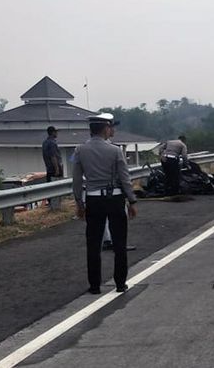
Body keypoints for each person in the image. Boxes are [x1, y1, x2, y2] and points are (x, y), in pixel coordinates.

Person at [72, 113, 138, 295]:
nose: (113, 130)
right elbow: (125, 178)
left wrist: (79, 203)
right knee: (119, 243)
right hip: (114, 199)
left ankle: (94, 285)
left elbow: (77, 180)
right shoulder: (115, 150)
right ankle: (120, 283)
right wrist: (131, 200)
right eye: (111, 127)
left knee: (93, 244)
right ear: (105, 129)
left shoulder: (80, 150)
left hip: (93, 199)